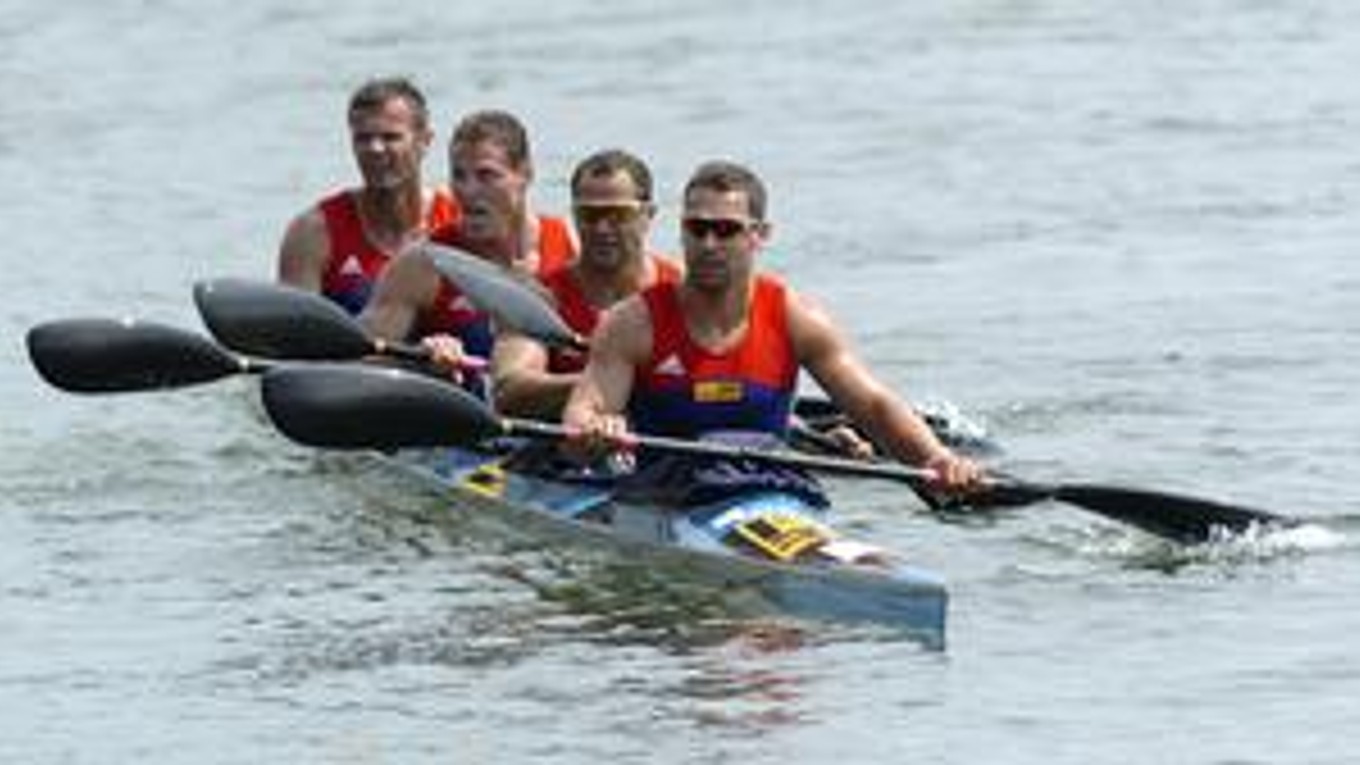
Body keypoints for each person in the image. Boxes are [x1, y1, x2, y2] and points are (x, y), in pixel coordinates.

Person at [563, 160, 983, 495]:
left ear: (759, 235)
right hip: (663, 495)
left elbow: (873, 406)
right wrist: (595, 428)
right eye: (697, 228)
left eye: (725, 230)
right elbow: (582, 414)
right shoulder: (633, 322)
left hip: (769, 489)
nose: (709, 244)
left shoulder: (795, 317)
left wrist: (937, 459)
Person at [360, 110, 575, 368]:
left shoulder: (569, 243)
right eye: (459, 176)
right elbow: (361, 361)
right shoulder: (420, 266)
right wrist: (418, 355)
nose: (468, 191)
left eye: (486, 176)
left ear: (525, 174)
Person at [492, 149, 681, 420]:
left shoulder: (680, 293)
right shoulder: (539, 298)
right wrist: (606, 382)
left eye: (617, 214)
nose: (602, 228)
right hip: (563, 449)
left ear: (648, 215)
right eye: (589, 215)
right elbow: (508, 392)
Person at [276, 77, 457, 314]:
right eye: (363, 138)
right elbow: (296, 338)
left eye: (390, 137)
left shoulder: (460, 220)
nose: (375, 149)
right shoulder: (312, 233)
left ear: (424, 141)